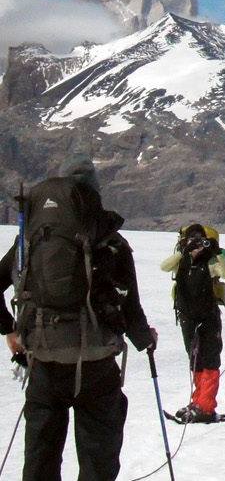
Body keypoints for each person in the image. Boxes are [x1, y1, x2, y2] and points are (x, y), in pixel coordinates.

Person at [0, 153, 157, 481]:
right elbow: (131, 308)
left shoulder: (30, 241)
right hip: (97, 366)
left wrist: (9, 330)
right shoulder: (110, 240)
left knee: (41, 457)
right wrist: (145, 340)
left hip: (44, 360)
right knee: (98, 458)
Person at [160, 223, 225, 423]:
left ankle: (206, 406)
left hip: (207, 317)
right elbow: (163, 267)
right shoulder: (181, 261)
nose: (197, 245)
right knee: (195, 360)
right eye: (193, 240)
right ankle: (198, 401)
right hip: (187, 317)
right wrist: (184, 252)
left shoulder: (209, 262)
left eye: (200, 241)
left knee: (209, 360)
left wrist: (217, 253)